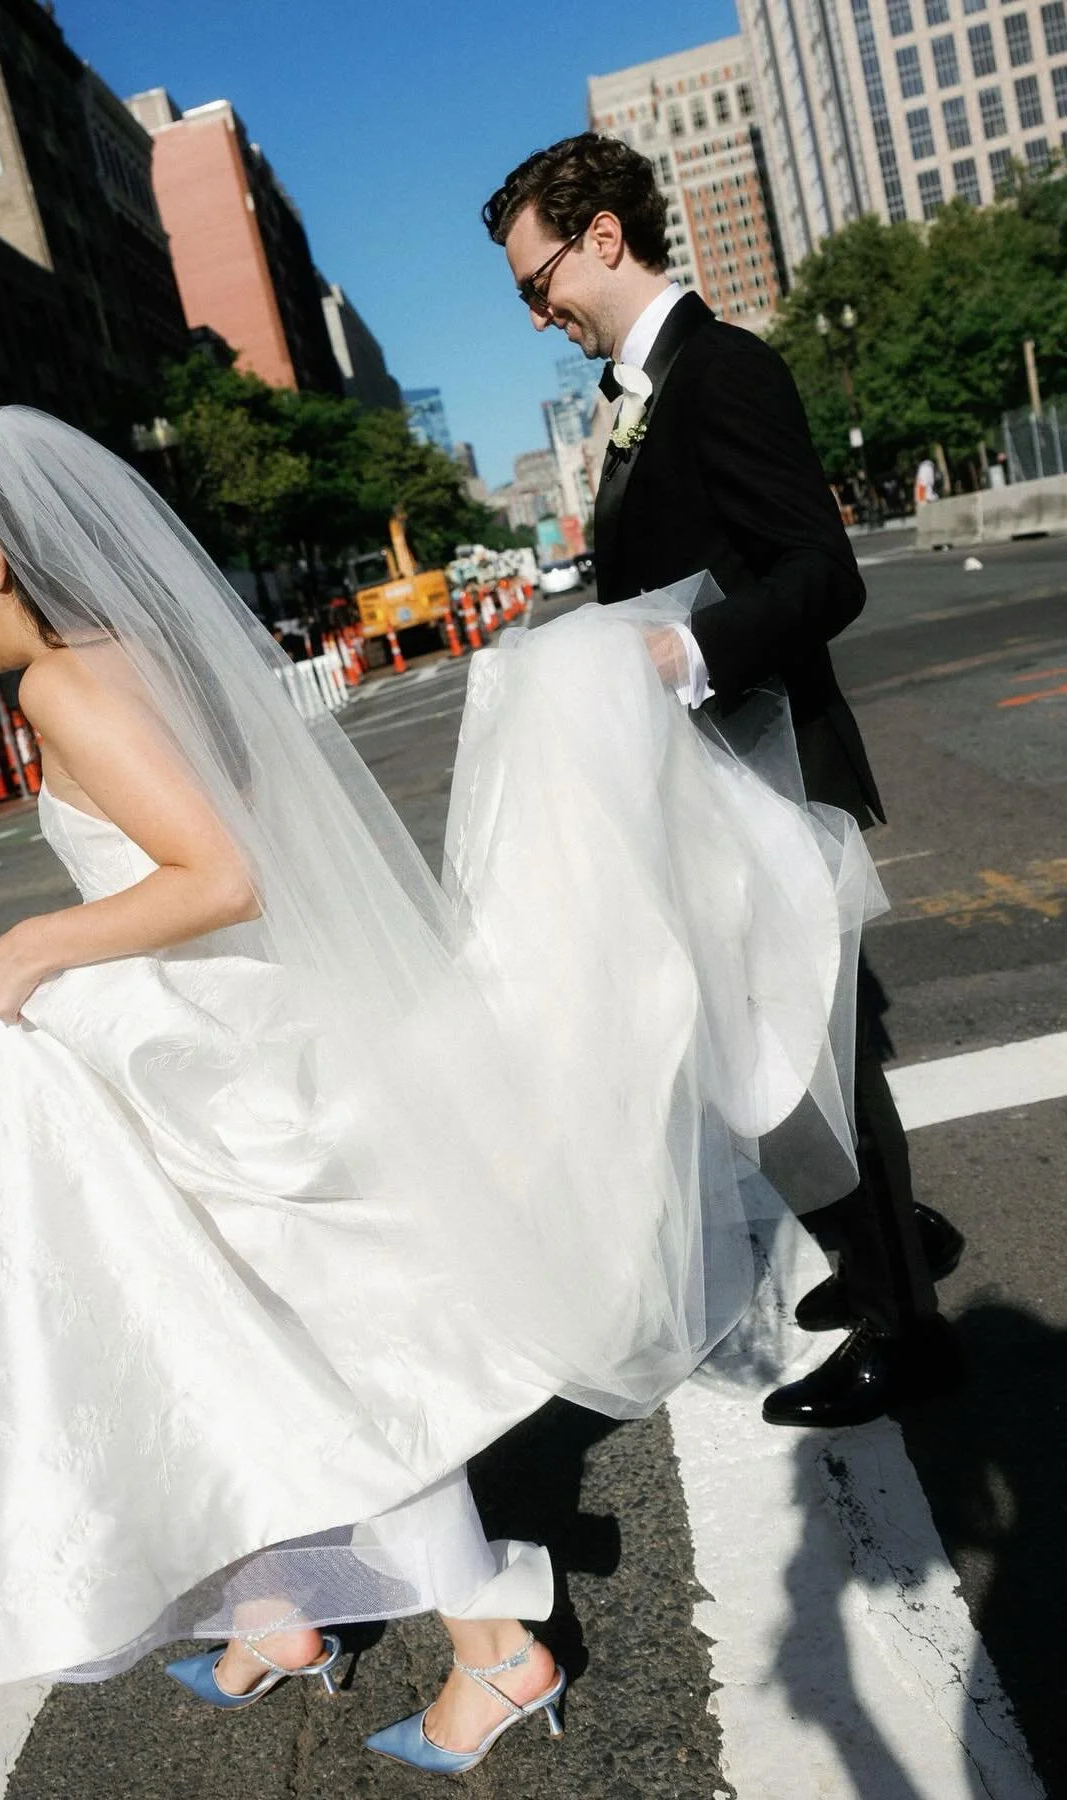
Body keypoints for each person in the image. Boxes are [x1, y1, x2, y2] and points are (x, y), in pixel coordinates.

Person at [0, 407, 880, 1775]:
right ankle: (275, 1611)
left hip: (205, 1045)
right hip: (246, 1022)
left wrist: (33, 945)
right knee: (248, 1340)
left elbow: (213, 877)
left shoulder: (62, 686)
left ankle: (491, 1646)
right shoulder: (147, 652)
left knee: (320, 1361)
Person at [483, 131, 964, 1430]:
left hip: (773, 772)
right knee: (770, 1051)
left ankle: (907, 1326)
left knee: (826, 1062)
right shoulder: (636, 395)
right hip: (711, 785)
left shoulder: (722, 372)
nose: (539, 315)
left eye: (540, 285)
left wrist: (684, 645)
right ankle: (881, 1252)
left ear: (602, 239)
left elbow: (824, 573)